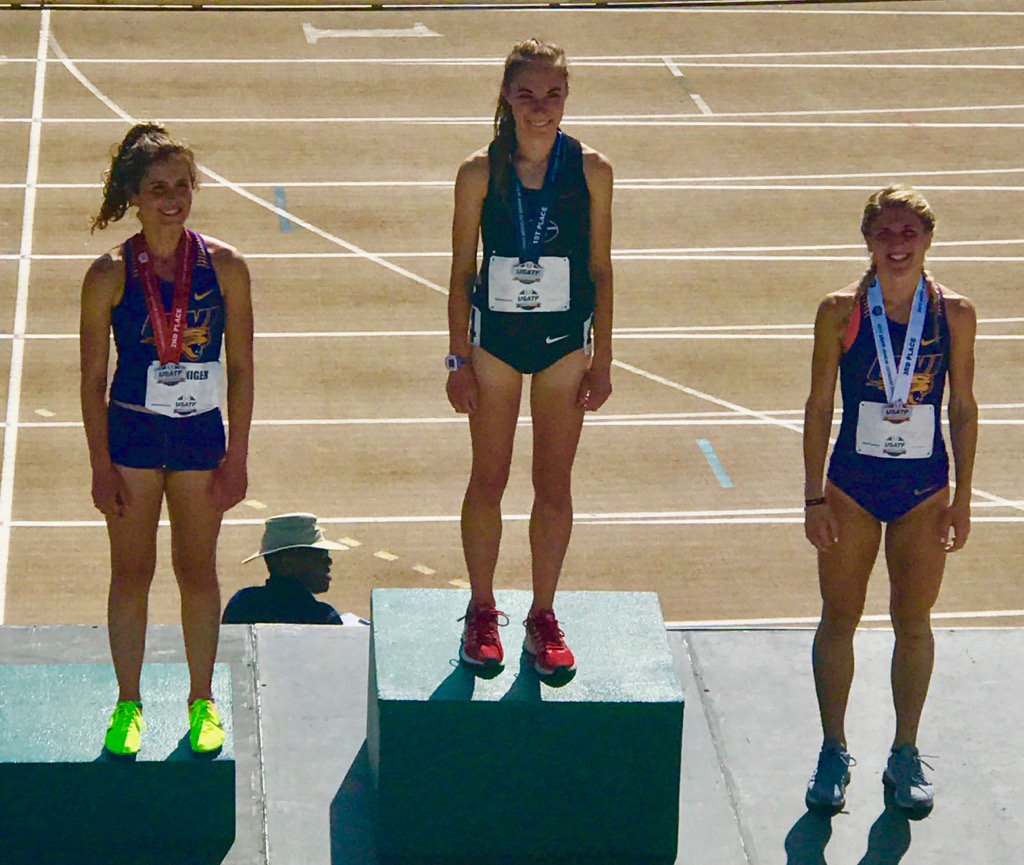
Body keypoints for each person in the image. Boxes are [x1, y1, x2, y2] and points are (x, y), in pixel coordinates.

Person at [802, 186, 978, 817]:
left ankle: (905, 750)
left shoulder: (954, 312)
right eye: (885, 234)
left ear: (928, 240)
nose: (897, 245)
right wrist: (813, 496)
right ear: (868, 241)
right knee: (838, 617)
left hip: (924, 490)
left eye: (909, 234)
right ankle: (832, 747)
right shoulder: (839, 310)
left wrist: (962, 496)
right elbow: (820, 404)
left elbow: (961, 405)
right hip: (851, 485)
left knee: (914, 621)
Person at [80, 123, 254, 756]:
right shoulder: (107, 274)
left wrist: (237, 456)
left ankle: (201, 700)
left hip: (199, 438)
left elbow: (241, 369)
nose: (172, 199)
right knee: (131, 573)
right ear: (136, 194)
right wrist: (100, 465)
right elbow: (92, 379)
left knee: (196, 570)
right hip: (132, 435)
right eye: (158, 188)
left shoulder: (227, 267)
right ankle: (128, 703)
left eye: (182, 186)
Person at [445, 39, 614, 676]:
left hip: (564, 344)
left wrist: (603, 358)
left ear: (566, 97)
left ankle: (543, 614)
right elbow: (463, 269)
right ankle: (482, 609)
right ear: (507, 98)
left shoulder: (593, 170)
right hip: (495, 347)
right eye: (527, 94)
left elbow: (600, 267)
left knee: (553, 484)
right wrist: (456, 359)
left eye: (553, 95)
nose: (540, 108)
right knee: (488, 479)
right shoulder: (479, 173)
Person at [223, 513, 355, 625]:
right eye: (320, 555)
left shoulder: (241, 604)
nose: (328, 561)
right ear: (288, 562)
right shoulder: (322, 617)